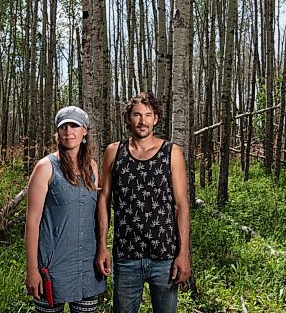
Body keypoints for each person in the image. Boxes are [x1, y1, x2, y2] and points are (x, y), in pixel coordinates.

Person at [96, 92, 191, 313]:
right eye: (137, 115)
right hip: (126, 255)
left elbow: (181, 205)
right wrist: (102, 246)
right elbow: (103, 200)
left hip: (164, 256)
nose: (143, 121)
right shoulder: (114, 151)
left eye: (148, 115)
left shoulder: (171, 152)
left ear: (156, 119)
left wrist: (183, 253)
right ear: (128, 118)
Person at [25, 106, 106, 313]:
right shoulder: (45, 167)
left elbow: (97, 215)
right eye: (63, 127)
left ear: (85, 131)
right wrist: (32, 270)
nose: (68, 131)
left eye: (74, 126)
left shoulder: (93, 167)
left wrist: (103, 247)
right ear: (58, 132)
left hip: (87, 266)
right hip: (52, 268)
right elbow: (32, 222)